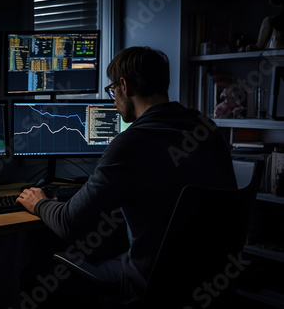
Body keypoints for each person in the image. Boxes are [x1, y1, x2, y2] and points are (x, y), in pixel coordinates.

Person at [16, 46, 237, 304]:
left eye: (112, 90)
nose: (113, 99)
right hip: (209, 280)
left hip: (151, 283)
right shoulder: (207, 129)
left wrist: (39, 202)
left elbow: (68, 222)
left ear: (125, 85)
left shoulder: (130, 143)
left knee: (35, 268)